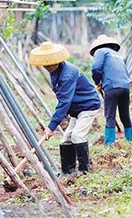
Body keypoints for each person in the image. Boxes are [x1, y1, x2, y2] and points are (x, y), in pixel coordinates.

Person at [29, 41, 101, 175]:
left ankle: (85, 171)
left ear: (58, 60)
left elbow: (64, 101)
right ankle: (67, 171)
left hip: (88, 105)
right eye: (46, 64)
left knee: (77, 135)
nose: (48, 67)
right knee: (66, 138)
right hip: (76, 108)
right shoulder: (55, 70)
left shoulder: (68, 74)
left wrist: (52, 126)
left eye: (51, 64)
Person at [89, 34, 132, 145]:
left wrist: (97, 82)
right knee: (125, 115)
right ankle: (129, 141)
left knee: (110, 115)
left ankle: (109, 143)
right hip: (125, 86)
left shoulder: (100, 52)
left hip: (112, 87)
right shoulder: (116, 55)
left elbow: (96, 68)